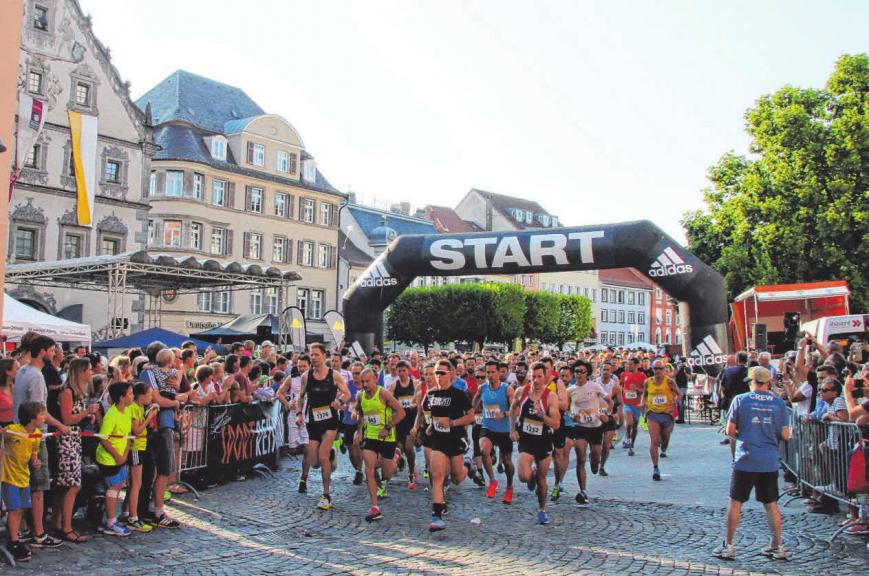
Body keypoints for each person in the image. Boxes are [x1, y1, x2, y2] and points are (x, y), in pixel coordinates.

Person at [714, 366, 790, 561]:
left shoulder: (741, 400)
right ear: (768, 382)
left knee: (736, 502)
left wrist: (745, 434)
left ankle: (729, 544)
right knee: (771, 503)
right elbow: (785, 434)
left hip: (745, 457)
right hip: (769, 459)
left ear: (751, 382)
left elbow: (730, 430)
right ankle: (778, 544)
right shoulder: (779, 403)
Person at [12, 335, 67, 549]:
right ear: (43, 351)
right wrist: (61, 426)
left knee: (25, 485)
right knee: (38, 487)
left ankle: (25, 529)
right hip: (35, 437)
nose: (54, 354)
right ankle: (39, 533)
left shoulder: (23, 370)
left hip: (22, 436)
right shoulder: (35, 376)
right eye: (52, 350)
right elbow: (38, 412)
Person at [296, 342, 351, 510]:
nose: (313, 358)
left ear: (324, 356)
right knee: (314, 461)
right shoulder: (306, 376)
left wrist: (339, 401)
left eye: (316, 355)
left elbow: (347, 393)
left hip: (330, 421)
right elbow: (301, 396)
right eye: (311, 355)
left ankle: (326, 495)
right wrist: (299, 413)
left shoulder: (334, 375)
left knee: (323, 456)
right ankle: (331, 454)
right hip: (313, 421)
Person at [53, 357, 100, 542]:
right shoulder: (68, 391)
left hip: (74, 439)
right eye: (89, 369)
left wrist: (88, 416)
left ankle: (59, 523)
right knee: (73, 485)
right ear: (80, 372)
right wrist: (87, 412)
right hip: (66, 441)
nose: (91, 372)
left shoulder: (79, 392)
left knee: (65, 485)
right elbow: (67, 419)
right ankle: (66, 527)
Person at [426, 359, 475, 532]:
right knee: (437, 476)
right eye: (436, 373)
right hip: (439, 441)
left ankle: (468, 465)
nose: (438, 376)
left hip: (456, 439)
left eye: (442, 373)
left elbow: (471, 417)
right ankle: (437, 516)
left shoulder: (459, 394)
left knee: (456, 478)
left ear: (451, 374)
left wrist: (453, 423)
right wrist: (431, 427)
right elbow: (435, 416)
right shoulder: (430, 394)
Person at [510, 362, 561, 525]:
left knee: (542, 478)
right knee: (524, 476)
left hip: (544, 441)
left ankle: (542, 509)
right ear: (529, 377)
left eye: (540, 377)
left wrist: (542, 416)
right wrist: (512, 429)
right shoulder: (521, 392)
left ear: (545, 377)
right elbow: (512, 410)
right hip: (526, 439)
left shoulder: (550, 396)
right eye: (534, 377)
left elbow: (556, 423)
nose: (537, 380)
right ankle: (530, 475)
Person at [355, 368, 405, 521]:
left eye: (367, 381)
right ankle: (375, 506)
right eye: (362, 381)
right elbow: (361, 414)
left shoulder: (383, 394)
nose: (364, 384)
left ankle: (396, 456)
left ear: (375, 380)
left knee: (388, 473)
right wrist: (360, 431)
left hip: (386, 438)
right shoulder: (360, 396)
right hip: (370, 437)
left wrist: (387, 427)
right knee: (368, 470)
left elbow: (401, 413)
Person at [1, 401, 48, 562]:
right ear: (31, 418)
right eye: (42, 414)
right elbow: (4, 435)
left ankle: (16, 537)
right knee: (13, 510)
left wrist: (35, 461)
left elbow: (33, 453)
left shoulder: (36, 434)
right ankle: (13, 541)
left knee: (21, 510)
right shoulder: (15, 431)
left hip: (24, 477)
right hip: (10, 477)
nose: (44, 417)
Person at [568, 360, 612, 505]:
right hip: (580, 427)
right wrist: (571, 415)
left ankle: (595, 464)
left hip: (596, 427)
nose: (579, 374)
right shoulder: (571, 390)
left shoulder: (595, 386)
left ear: (587, 373)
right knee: (580, 457)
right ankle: (583, 491)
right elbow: (564, 408)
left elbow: (609, 401)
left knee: (594, 460)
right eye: (576, 371)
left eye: (582, 371)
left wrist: (607, 414)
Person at [95, 381, 135, 536]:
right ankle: (111, 521)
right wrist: (117, 456)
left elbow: (127, 435)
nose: (132, 396)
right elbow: (104, 438)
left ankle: (111, 518)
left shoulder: (128, 409)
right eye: (130, 393)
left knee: (118, 485)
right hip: (108, 458)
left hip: (120, 456)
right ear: (121, 397)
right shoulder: (111, 415)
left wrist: (124, 454)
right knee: (114, 487)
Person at [475, 359, 515, 503]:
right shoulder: (483, 388)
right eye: (488, 372)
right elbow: (475, 402)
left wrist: (504, 414)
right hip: (488, 427)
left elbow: (515, 409)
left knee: (507, 461)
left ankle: (510, 486)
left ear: (499, 373)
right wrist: (475, 409)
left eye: (493, 372)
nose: (490, 375)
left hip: (504, 430)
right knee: (484, 450)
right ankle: (492, 481)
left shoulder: (507, 389)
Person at [123, 382, 158, 532]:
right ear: (142, 395)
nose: (151, 397)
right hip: (135, 447)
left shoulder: (139, 407)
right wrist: (149, 417)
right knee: (136, 484)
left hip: (141, 446)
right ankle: (133, 517)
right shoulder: (133, 408)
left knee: (135, 483)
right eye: (149, 394)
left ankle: (126, 513)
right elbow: (136, 430)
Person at [641, 358, 681, 481]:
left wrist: (673, 404)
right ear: (652, 369)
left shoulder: (669, 382)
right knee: (654, 440)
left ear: (664, 370)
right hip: (652, 413)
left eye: (660, 368)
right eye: (655, 368)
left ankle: (664, 448)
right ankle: (655, 467)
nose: (657, 371)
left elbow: (679, 394)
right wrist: (643, 407)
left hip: (666, 414)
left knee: (665, 439)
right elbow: (645, 395)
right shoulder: (648, 382)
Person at [389, 361, 419, 489]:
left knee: (408, 447)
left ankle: (411, 473)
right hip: (399, 421)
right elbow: (389, 403)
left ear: (408, 371)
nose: (401, 373)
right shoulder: (394, 385)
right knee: (399, 447)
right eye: (399, 371)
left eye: (403, 371)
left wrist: (414, 405)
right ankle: (403, 463)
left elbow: (420, 400)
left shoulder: (415, 383)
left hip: (411, 420)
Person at [595, 361, 622, 476]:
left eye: (608, 370)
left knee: (606, 445)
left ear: (611, 372)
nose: (605, 372)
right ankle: (595, 460)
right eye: (603, 369)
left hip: (609, 417)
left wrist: (619, 416)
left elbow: (620, 403)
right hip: (596, 417)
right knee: (596, 446)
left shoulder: (615, 386)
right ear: (600, 371)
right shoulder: (594, 383)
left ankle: (602, 466)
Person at [619, 357, 646, 456]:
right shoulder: (623, 374)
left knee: (634, 427)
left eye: (630, 364)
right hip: (627, 403)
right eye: (627, 364)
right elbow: (620, 386)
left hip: (637, 405)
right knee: (629, 423)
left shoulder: (642, 376)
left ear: (636, 365)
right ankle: (626, 436)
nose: (628, 366)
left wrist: (637, 389)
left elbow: (645, 390)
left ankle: (632, 444)